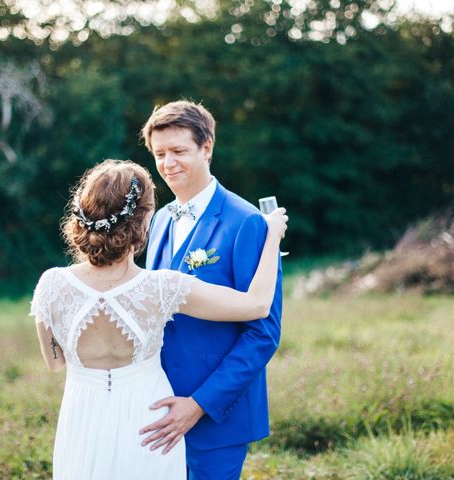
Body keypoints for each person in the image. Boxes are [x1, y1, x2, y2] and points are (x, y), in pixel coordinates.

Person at [29, 159, 287, 480]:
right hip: (148, 422)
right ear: (144, 218)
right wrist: (272, 235)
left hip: (82, 417)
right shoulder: (160, 287)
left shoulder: (51, 285)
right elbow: (257, 305)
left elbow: (55, 362)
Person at [140, 100, 283, 479]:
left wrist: (198, 405)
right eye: (160, 154)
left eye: (179, 151)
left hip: (216, 416)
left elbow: (263, 333)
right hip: (157, 409)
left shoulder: (248, 222)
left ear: (207, 148)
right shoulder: (159, 221)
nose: (168, 163)